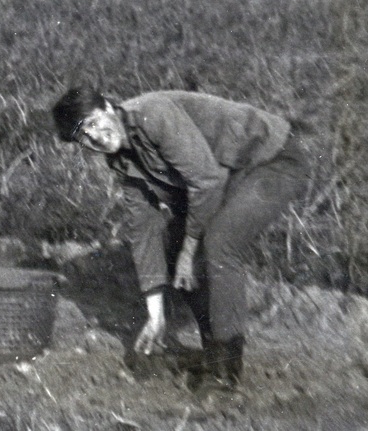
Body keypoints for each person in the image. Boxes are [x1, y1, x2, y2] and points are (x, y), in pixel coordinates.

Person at [51, 87, 309, 394]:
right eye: (83, 136)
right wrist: (156, 315)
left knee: (220, 244)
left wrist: (190, 251)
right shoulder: (121, 161)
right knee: (173, 248)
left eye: (93, 123)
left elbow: (207, 182)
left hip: (272, 159)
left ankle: (225, 375)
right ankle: (214, 353)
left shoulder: (152, 113)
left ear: (107, 106)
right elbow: (144, 231)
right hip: (228, 174)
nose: (96, 137)